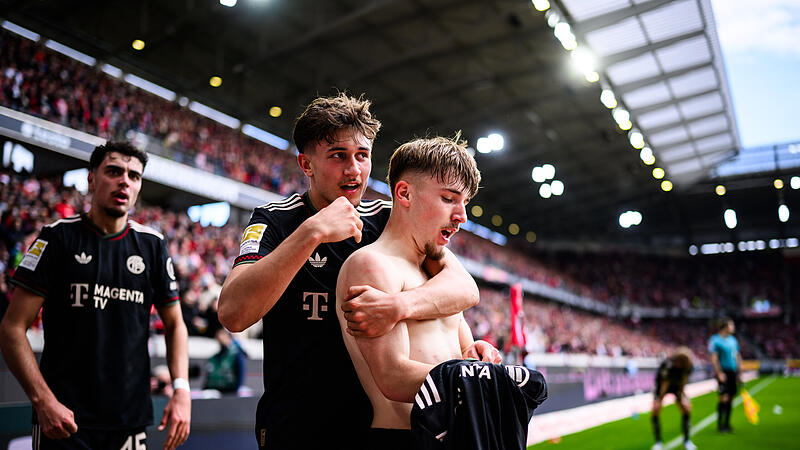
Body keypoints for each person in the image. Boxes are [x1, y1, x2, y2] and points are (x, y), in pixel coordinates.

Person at [217, 94, 484, 450]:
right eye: (338, 156)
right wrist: (312, 232)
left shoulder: (388, 219)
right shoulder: (276, 219)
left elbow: (463, 287)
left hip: (372, 428)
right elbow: (233, 313)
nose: (354, 170)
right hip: (298, 425)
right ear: (306, 164)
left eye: (362, 155)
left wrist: (399, 306)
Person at [335, 136, 547, 449]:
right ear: (404, 194)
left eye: (464, 203)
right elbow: (392, 377)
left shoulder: (438, 271)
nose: (462, 216)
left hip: (458, 434)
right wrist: (483, 380)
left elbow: (459, 355)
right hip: (405, 438)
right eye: (449, 199)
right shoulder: (372, 265)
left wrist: (477, 357)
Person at [0, 142, 191, 450]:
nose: (124, 181)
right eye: (114, 171)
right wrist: (42, 401)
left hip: (129, 422)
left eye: (134, 176)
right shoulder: (57, 238)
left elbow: (175, 324)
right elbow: (11, 328)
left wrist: (181, 389)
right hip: (63, 422)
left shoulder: (153, 245)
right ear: (91, 179)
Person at [651, 346, 696, 450]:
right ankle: (658, 442)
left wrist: (682, 397)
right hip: (662, 387)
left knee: (686, 409)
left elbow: (683, 381)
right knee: (656, 410)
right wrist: (659, 400)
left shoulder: (688, 366)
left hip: (677, 386)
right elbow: (664, 384)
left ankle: (687, 441)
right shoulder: (668, 365)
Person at [708, 316, 742, 433]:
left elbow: (737, 356)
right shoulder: (715, 340)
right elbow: (714, 358)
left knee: (731, 398)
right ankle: (720, 424)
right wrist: (719, 373)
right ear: (725, 327)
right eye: (731, 325)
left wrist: (740, 372)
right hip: (723, 372)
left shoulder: (733, 340)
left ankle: (727, 424)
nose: (733, 327)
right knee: (723, 398)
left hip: (733, 372)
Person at [203, 329, 247, 394]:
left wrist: (235, 392)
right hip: (214, 391)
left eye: (223, 337)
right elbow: (208, 377)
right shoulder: (214, 358)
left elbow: (240, 376)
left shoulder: (236, 356)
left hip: (229, 391)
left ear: (229, 338)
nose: (221, 340)